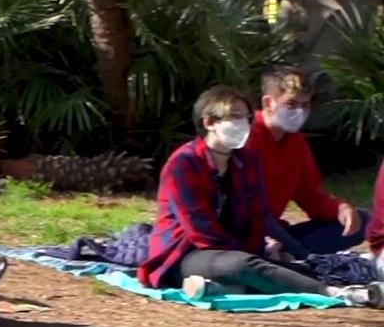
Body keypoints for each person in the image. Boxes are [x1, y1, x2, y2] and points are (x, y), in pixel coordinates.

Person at [139, 85, 384, 305]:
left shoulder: (245, 160)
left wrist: (277, 250)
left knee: (286, 268)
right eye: (235, 117)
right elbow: (202, 231)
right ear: (210, 122)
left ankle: (223, 287)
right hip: (187, 253)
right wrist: (253, 254)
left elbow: (258, 215)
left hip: (235, 248)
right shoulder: (183, 164)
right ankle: (333, 293)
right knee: (244, 265)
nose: (243, 125)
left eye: (247, 118)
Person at [246, 67, 369, 258]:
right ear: (268, 103)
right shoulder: (246, 136)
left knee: (362, 221)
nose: (299, 112)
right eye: (291, 104)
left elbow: (312, 196)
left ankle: (288, 256)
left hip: (276, 234)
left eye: (305, 105)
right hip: (244, 231)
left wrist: (340, 208)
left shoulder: (296, 143)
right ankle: (291, 256)